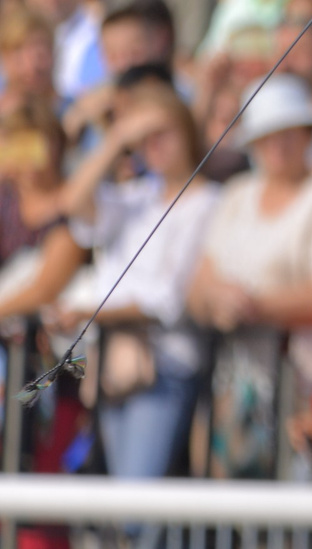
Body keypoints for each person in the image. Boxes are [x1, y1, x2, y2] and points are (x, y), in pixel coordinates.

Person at [188, 78, 312, 480]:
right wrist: (217, 301)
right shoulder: (236, 194)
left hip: (304, 382)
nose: (277, 146)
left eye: (288, 133)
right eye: (267, 137)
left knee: (293, 491)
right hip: (235, 378)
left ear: (307, 136)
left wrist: (250, 305)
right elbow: (199, 283)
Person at [45, 81, 214, 479]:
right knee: (118, 497)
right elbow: (72, 202)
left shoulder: (209, 200)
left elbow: (167, 301)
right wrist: (118, 137)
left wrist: (87, 313)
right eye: (145, 139)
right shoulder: (137, 196)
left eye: (162, 133)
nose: (153, 145)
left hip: (164, 367)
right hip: (113, 364)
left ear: (186, 129)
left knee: (136, 497)